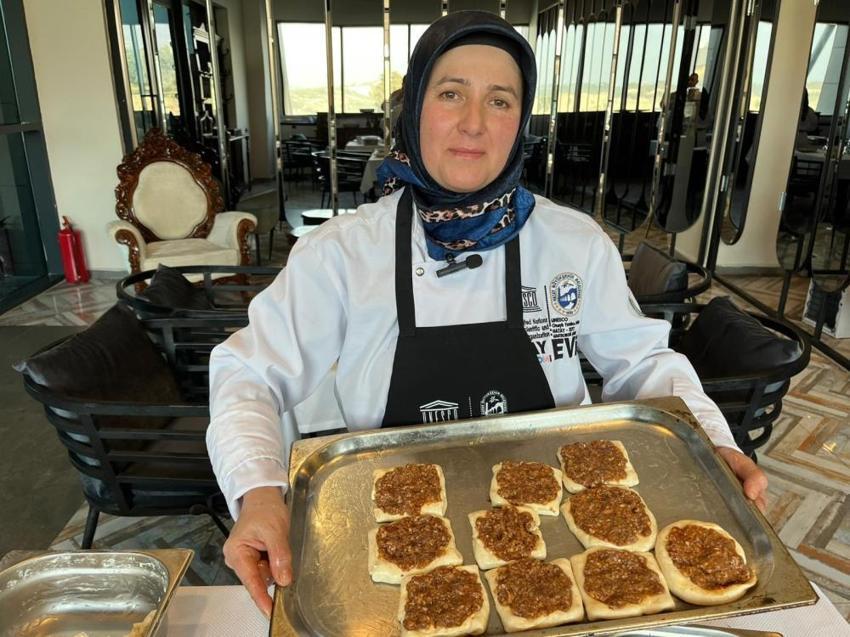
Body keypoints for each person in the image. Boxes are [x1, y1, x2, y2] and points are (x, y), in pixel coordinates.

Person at [207, 11, 767, 617]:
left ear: (521, 123)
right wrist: (258, 491)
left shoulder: (573, 242)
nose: (473, 123)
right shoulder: (343, 252)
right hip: (394, 534)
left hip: (563, 533)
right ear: (415, 108)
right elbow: (250, 374)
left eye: (499, 101)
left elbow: (644, 362)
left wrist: (711, 440)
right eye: (451, 94)